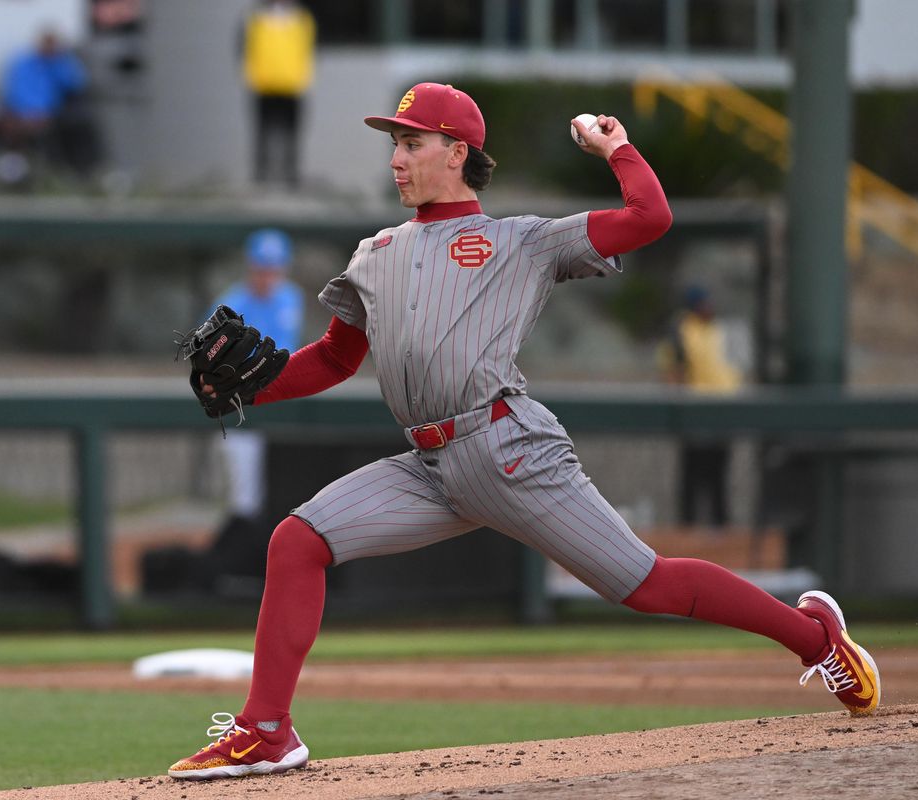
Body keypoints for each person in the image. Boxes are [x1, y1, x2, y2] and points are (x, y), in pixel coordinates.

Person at [167, 82, 880, 781]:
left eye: (412, 143)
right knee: (296, 542)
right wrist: (253, 387)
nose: (396, 159)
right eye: (396, 144)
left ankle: (816, 637)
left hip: (508, 450)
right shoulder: (374, 252)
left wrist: (617, 149)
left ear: (457, 152)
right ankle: (266, 731)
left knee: (646, 585)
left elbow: (650, 217)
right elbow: (333, 358)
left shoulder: (523, 241)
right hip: (427, 467)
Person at [214, 228, 305, 525]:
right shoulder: (230, 305)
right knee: (245, 498)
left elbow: (287, 351)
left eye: (274, 268)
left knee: (286, 487)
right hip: (241, 403)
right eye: (262, 268)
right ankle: (244, 538)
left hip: (279, 399)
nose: (268, 276)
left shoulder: (290, 297)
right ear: (250, 266)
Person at [661, 284, 742, 527]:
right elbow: (673, 368)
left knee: (718, 471)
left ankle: (720, 523)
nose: (710, 306)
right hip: (696, 410)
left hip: (722, 410)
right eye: (704, 302)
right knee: (693, 471)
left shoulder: (717, 329)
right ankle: (688, 524)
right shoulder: (682, 328)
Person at [0, 29, 96, 180]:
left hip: (54, 115)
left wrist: (59, 62)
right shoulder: (23, 64)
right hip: (23, 114)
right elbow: (15, 92)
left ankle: (79, 170)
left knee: (80, 124)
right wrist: (32, 111)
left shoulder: (60, 62)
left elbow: (76, 84)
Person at [241, 0, 315, 187]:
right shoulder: (257, 18)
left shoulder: (302, 19)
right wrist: (252, 77)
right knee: (263, 131)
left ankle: (290, 173)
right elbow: (248, 48)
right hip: (264, 84)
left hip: (292, 85)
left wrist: (303, 78)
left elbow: (307, 50)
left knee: (291, 132)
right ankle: (261, 173)